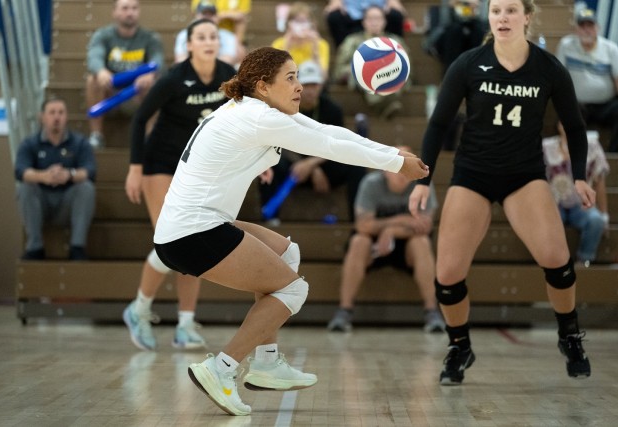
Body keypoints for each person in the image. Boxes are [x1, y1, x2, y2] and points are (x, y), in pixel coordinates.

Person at [153, 46, 429, 415]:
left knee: (286, 253)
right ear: (263, 86)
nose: (299, 86)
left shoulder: (251, 109)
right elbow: (330, 146)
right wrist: (396, 163)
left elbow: (329, 130)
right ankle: (220, 369)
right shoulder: (260, 119)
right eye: (290, 78)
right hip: (193, 232)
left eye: (299, 76)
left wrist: (394, 153)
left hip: (193, 224)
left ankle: (266, 363)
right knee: (292, 289)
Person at [409, 0, 593, 386]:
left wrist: (579, 177)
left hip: (524, 175)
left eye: (511, 10)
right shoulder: (468, 63)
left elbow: (575, 128)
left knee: (557, 261)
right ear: (489, 18)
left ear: (527, 16)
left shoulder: (548, 68)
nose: (503, 18)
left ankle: (570, 336)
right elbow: (438, 124)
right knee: (447, 274)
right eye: (496, 11)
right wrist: (423, 180)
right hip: (473, 174)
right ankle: (460, 346)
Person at [123, 18, 237, 352]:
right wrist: (135, 168)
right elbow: (140, 119)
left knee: (196, 240)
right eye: (200, 37)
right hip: (159, 164)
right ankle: (139, 309)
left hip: (197, 168)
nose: (208, 41)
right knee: (173, 242)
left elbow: (243, 120)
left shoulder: (227, 75)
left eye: (213, 37)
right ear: (188, 45)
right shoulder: (173, 79)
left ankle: (185, 324)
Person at [327, 153, 445, 334]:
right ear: (385, 170)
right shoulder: (371, 184)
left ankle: (432, 312)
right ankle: (344, 311)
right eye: (398, 166)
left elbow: (424, 226)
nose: (403, 172)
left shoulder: (422, 185)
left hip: (407, 246)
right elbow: (362, 225)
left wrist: (390, 230)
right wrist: (403, 219)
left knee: (421, 242)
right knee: (359, 241)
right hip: (374, 246)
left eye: (407, 166)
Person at [259, 60, 366, 223]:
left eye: (314, 85)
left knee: (356, 166)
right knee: (267, 161)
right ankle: (271, 219)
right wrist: (306, 165)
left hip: (324, 163)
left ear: (321, 86)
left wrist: (312, 165)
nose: (309, 90)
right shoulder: (283, 106)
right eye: (306, 85)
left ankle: (357, 222)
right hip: (293, 164)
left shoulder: (332, 109)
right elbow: (278, 142)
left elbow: (338, 143)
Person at [15, 98, 97, 261]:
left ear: (66, 116)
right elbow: (20, 171)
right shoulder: (30, 143)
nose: (57, 117)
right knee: (24, 187)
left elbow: (90, 171)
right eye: (52, 113)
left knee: (86, 187)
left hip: (68, 202)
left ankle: (77, 247)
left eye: (61, 112)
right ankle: (35, 248)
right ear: (42, 117)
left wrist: (69, 174)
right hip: (41, 203)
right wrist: (43, 176)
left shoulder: (80, 143)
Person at [86, 0, 164, 149]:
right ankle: (96, 135)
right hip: (110, 92)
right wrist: (101, 71)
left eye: (134, 8)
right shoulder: (103, 35)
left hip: (136, 93)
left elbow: (158, 60)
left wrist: (150, 75)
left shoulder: (150, 37)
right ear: (114, 12)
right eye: (125, 8)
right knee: (92, 80)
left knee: (154, 83)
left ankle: (149, 140)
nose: (130, 12)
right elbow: (94, 57)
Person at [543, 122, 610, 267]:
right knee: (546, 223)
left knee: (596, 220)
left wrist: (604, 214)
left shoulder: (592, 145)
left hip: (582, 204)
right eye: (562, 121)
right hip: (555, 203)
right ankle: (555, 263)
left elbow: (599, 180)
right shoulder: (546, 147)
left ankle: (584, 261)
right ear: (558, 125)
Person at [556, 8, 618, 152]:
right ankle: (572, 158)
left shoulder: (611, 49)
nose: (586, 30)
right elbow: (558, 77)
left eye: (590, 26)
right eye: (582, 26)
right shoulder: (566, 45)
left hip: (605, 105)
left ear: (598, 28)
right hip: (577, 104)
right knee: (566, 114)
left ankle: (613, 157)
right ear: (576, 29)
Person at [332, 5, 408, 119]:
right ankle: (384, 104)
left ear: (384, 21)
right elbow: (339, 70)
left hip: (390, 74)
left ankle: (382, 102)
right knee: (366, 71)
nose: (374, 22)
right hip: (360, 76)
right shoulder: (351, 41)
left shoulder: (395, 41)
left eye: (378, 18)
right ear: (364, 22)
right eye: (370, 19)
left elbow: (407, 68)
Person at [424, 0, 488, 75]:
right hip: (450, 28)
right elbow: (444, 23)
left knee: (479, 33)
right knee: (454, 33)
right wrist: (452, 5)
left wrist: (477, 7)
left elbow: (485, 21)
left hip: (476, 25)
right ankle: (451, 75)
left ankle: (479, 75)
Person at [174, 1, 245, 66]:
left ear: (216, 16)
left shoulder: (228, 36)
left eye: (210, 15)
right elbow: (181, 60)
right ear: (196, 15)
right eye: (204, 14)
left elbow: (227, 61)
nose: (207, 18)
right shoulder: (184, 35)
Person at [272, 2, 331, 78]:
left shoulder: (321, 44)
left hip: (311, 83)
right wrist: (287, 47)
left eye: (304, 21)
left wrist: (315, 49)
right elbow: (276, 76)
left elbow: (323, 76)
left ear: (311, 24)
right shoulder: (279, 44)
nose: (301, 25)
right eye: (297, 21)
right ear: (289, 24)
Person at [325, 0, 406, 47]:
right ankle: (345, 54)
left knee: (396, 15)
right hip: (352, 15)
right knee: (334, 17)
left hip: (379, 11)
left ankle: (396, 53)